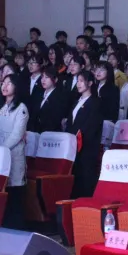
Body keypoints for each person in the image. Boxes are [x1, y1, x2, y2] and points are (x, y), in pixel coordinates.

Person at [0, 73, 29, 229]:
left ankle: (16, 227)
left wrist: (0, 151)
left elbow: (17, 134)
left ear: (16, 87)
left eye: (9, 83)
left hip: (13, 155)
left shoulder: (21, 108)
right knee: (0, 190)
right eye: (3, 83)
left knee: (14, 191)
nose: (4, 86)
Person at [66, 71, 102, 199]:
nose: (78, 84)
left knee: (85, 177)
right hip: (74, 145)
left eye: (81, 81)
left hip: (87, 146)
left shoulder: (95, 102)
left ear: (90, 83)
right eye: (77, 81)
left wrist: (79, 137)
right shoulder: (77, 101)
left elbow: (92, 125)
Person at [34, 66, 69, 133]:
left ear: (55, 79)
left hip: (50, 133)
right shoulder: (38, 94)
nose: (43, 80)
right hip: (36, 132)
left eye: (47, 77)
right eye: (42, 77)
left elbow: (56, 120)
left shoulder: (60, 97)